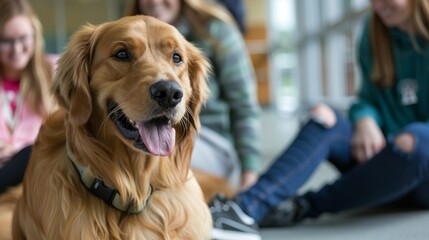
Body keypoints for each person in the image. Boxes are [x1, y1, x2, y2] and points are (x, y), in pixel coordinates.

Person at [209, 0, 429, 239]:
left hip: (421, 171)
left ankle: (301, 207)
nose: (377, 5)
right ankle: (245, 208)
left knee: (415, 140)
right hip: (382, 157)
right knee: (324, 117)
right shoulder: (374, 32)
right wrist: (365, 119)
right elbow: (366, 98)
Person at [125, 0, 262, 192]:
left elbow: (244, 107)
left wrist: (250, 173)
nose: (154, 1)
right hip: (150, 126)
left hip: (211, 140)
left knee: (151, 160)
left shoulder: (217, 32)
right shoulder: (126, 34)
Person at [0, 0, 54, 194]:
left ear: (35, 36)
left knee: (30, 154)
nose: (16, 49)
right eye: (5, 41)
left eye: (23, 38)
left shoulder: (55, 72)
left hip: (42, 177)